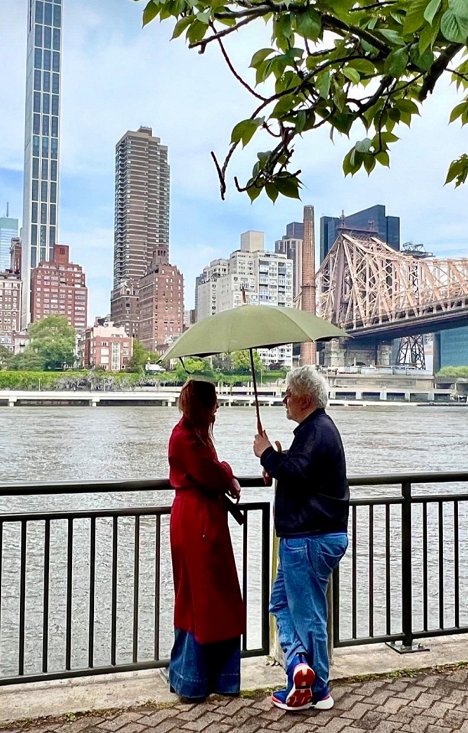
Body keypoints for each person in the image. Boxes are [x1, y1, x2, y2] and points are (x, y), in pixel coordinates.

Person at [253, 366, 349, 712]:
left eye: (288, 395)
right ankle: (298, 668)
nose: (284, 401)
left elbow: (298, 471)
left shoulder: (315, 432)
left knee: (308, 615)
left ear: (305, 399)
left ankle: (319, 689)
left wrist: (266, 453)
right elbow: (302, 473)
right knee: (279, 604)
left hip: (309, 538)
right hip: (310, 536)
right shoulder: (315, 430)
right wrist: (277, 461)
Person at [168, 379, 245, 702]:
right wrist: (227, 472)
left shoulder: (191, 434)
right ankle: (197, 678)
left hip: (198, 518)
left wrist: (222, 472)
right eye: (214, 402)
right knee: (202, 595)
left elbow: (210, 473)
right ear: (204, 405)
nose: (217, 408)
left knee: (208, 594)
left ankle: (200, 676)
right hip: (198, 521)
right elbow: (210, 474)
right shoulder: (187, 438)